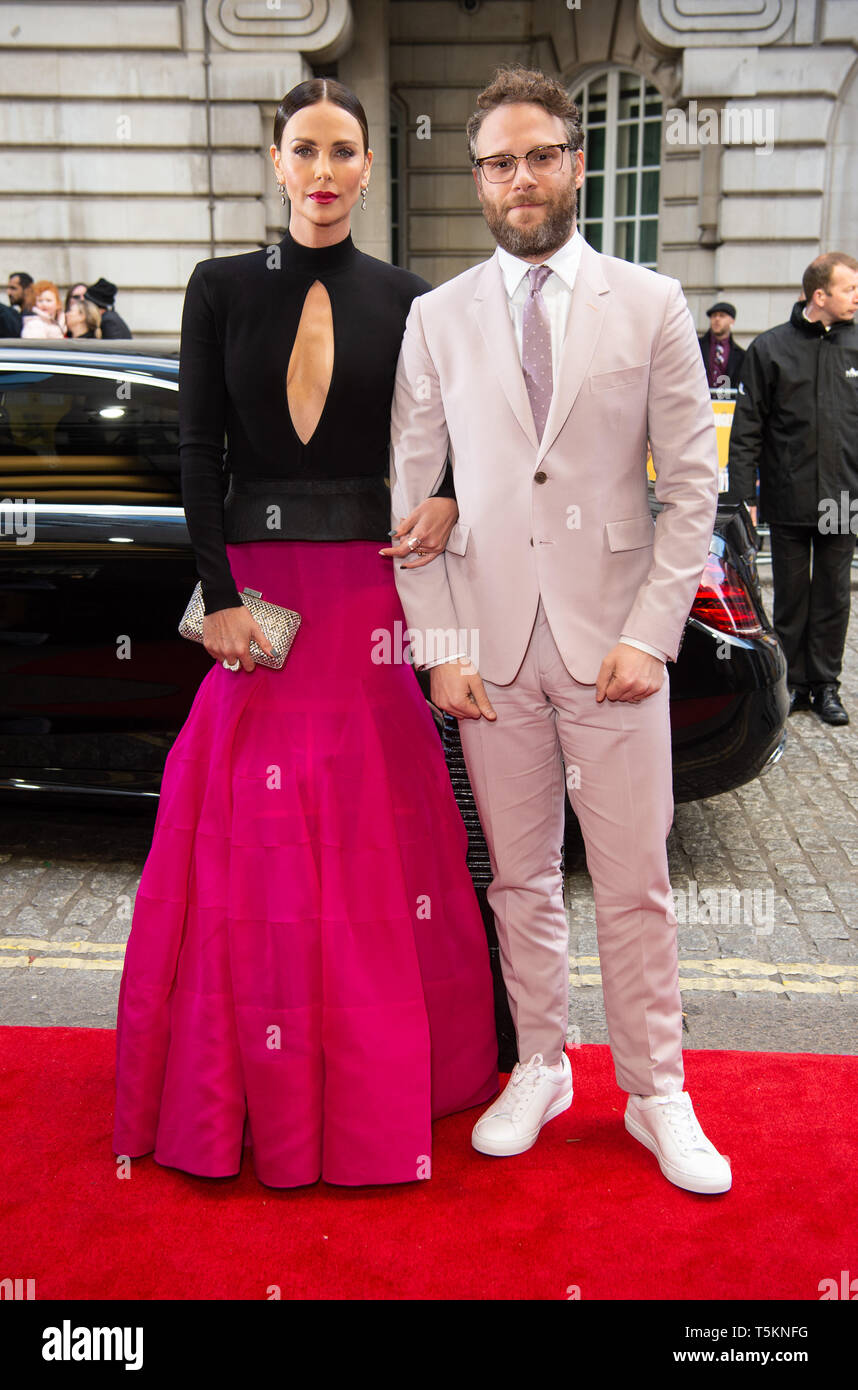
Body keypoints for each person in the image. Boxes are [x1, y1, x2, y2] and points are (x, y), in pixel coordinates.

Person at [113, 78, 499, 1190]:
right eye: (303, 150)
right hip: (259, 598)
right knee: (252, 822)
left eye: (342, 151)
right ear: (277, 164)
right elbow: (196, 453)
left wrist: (453, 498)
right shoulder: (219, 287)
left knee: (374, 824)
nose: (322, 170)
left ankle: (379, 1075)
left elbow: (449, 439)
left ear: (368, 167)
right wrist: (218, 592)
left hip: (368, 594)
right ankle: (243, 1084)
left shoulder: (410, 300)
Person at [388, 65, 730, 1195]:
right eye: (497, 161)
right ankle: (539, 1060)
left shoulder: (650, 302)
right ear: (475, 177)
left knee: (634, 881)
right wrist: (439, 651)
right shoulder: (433, 319)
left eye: (539, 155)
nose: (519, 177)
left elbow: (691, 489)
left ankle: (653, 1089)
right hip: (492, 649)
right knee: (517, 881)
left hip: (614, 645)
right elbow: (411, 503)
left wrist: (651, 630)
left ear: (574, 164)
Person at [727, 252, 858, 725]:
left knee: (833, 594)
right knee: (789, 595)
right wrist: (747, 500)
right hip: (787, 495)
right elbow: (747, 432)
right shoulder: (770, 349)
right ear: (819, 296)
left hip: (843, 498)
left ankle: (824, 686)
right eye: (849, 289)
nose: (856, 297)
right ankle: (790, 683)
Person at [698, 300, 745, 390]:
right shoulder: (697, 346)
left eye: (722, 316)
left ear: (732, 321)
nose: (717, 319)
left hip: (727, 402)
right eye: (713, 316)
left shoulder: (741, 355)